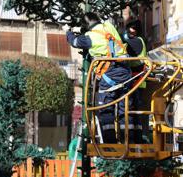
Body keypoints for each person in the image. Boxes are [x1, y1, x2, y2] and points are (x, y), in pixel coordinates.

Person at [63, 12, 134, 143]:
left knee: (106, 109)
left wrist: (68, 32)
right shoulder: (108, 26)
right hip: (125, 72)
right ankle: (129, 141)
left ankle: (110, 143)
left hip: (109, 75)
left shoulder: (89, 37)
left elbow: (74, 41)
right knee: (126, 108)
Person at [122, 20, 147, 142]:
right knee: (134, 111)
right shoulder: (138, 40)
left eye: (133, 29)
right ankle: (136, 137)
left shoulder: (136, 41)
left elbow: (131, 59)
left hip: (135, 80)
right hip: (136, 80)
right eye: (130, 28)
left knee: (131, 110)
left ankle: (133, 138)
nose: (131, 31)